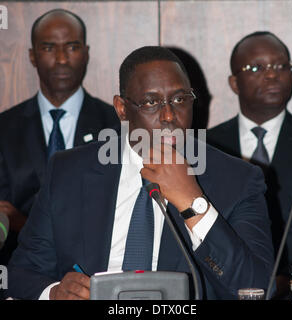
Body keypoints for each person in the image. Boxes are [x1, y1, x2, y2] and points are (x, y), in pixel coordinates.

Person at [6, 46, 274, 300]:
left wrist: (193, 204)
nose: (169, 115)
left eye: (180, 99)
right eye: (151, 102)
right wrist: (54, 292)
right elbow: (20, 273)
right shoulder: (69, 172)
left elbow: (257, 287)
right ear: (122, 109)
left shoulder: (237, 179)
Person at [0, 9, 119, 265]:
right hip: (18, 270)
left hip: (96, 272)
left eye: (72, 47)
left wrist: (23, 220)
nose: (62, 59)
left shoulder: (116, 126)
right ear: (32, 56)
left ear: (86, 53)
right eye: (49, 47)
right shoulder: (4, 128)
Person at [207, 31, 292, 298]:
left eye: (281, 66)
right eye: (257, 67)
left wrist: (291, 281)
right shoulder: (205, 147)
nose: (272, 74)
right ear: (234, 83)